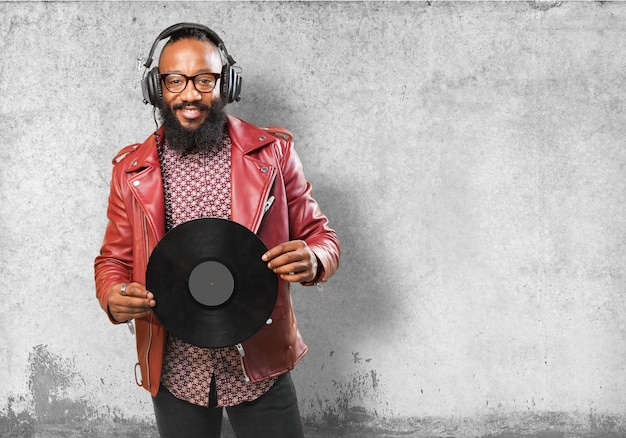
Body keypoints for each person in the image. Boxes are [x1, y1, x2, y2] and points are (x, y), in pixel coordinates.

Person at [94, 23, 340, 437]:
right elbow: (113, 261)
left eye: (205, 80)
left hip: (260, 363)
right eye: (175, 81)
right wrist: (112, 295)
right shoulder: (130, 171)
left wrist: (314, 259)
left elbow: (323, 237)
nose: (190, 95)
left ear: (227, 84)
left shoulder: (274, 154)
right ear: (156, 88)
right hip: (176, 372)